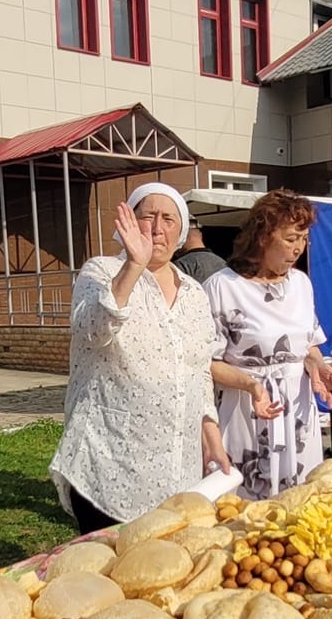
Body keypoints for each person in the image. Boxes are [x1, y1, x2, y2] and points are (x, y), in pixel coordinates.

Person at [51, 183, 231, 533]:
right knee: (111, 572)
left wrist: (212, 436)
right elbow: (93, 329)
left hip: (177, 465)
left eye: (168, 219)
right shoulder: (100, 271)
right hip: (110, 459)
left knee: (166, 565)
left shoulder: (193, 292)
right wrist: (134, 266)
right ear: (128, 224)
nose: (157, 227)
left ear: (181, 232)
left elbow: (197, 370)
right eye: (147, 216)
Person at [206, 190, 332, 499]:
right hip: (247, 407)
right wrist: (251, 385)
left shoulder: (300, 284)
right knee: (245, 506)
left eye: (304, 238)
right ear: (263, 236)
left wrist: (318, 364)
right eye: (291, 238)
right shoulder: (223, 287)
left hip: (297, 408)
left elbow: (306, 344)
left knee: (300, 502)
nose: (299, 248)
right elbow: (207, 362)